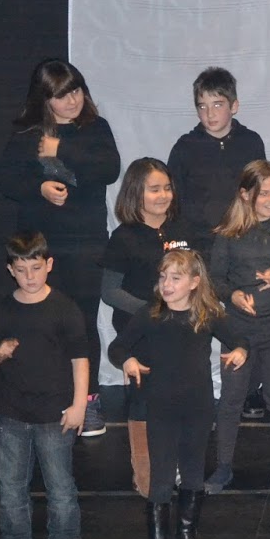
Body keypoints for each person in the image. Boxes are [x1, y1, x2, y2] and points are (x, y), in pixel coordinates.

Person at [0, 59, 121, 437]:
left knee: (82, 322)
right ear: (44, 99)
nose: (72, 101)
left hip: (85, 244)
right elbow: (5, 181)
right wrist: (40, 188)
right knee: (40, 322)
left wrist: (60, 148)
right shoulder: (29, 134)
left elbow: (109, 169)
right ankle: (45, 399)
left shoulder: (95, 127)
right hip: (41, 246)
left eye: (76, 91)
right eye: (62, 95)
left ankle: (89, 400)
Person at [109, 250, 248, 539]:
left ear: (194, 282)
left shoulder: (207, 315)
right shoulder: (151, 314)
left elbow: (240, 338)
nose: (167, 285)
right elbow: (118, 347)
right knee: (161, 478)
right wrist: (127, 360)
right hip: (161, 408)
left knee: (193, 474)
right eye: (163, 277)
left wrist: (241, 351)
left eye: (175, 278)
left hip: (198, 407)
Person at [0, 231, 92, 539]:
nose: (29, 276)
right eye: (21, 269)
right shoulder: (3, 309)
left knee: (61, 488)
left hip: (54, 414)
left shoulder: (64, 308)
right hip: (11, 414)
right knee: (12, 488)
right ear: (10, 270)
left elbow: (80, 360)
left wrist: (79, 405)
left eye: (36, 267)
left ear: (49, 265)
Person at [206, 160, 270, 493]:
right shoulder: (228, 234)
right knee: (232, 397)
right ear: (245, 194)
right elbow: (214, 280)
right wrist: (233, 295)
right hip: (238, 329)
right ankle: (223, 466)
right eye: (264, 193)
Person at [101, 159, 196, 498]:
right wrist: (151, 312)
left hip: (180, 335)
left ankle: (177, 468)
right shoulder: (123, 237)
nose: (163, 195)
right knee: (144, 403)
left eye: (167, 188)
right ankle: (145, 474)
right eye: (154, 189)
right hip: (140, 336)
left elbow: (197, 278)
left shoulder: (182, 230)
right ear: (135, 193)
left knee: (180, 401)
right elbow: (110, 292)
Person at [166, 67, 267, 259]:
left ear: (234, 106)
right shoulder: (185, 147)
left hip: (242, 241)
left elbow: (261, 191)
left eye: (217, 105)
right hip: (198, 245)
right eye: (202, 107)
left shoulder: (251, 143)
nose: (210, 114)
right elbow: (174, 201)